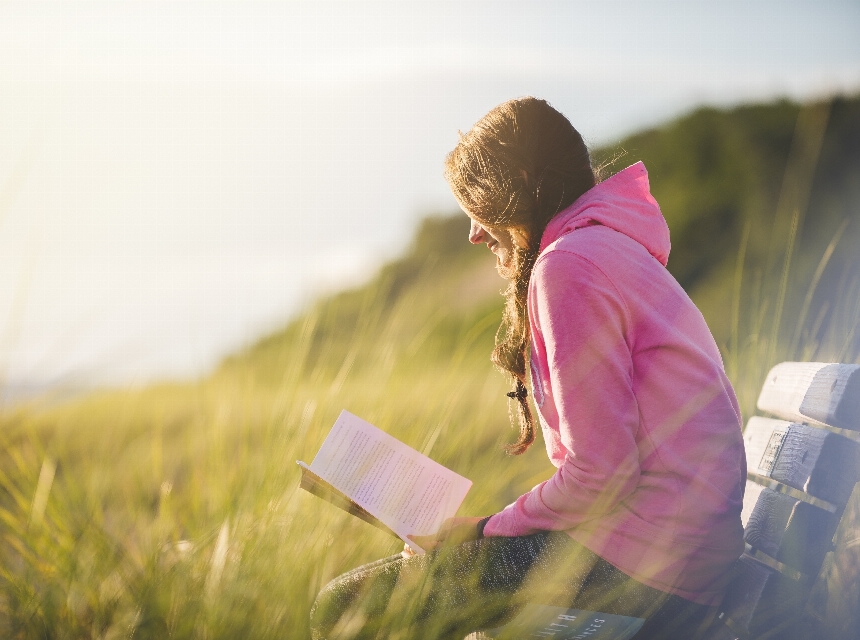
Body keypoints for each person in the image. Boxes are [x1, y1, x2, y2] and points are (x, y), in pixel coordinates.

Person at [309, 97, 746, 640]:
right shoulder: (604, 247)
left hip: (652, 568)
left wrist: (485, 530)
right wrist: (489, 532)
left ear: (516, 183)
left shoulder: (569, 265)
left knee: (345, 606)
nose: (473, 231)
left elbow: (602, 476)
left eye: (475, 202)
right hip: (676, 553)